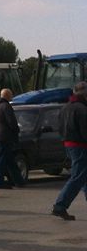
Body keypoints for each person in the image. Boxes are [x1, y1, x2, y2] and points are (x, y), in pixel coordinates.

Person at [51, 81, 87, 220]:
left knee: (83, 176)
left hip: (69, 144)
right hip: (81, 146)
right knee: (78, 177)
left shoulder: (66, 107)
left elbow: (60, 127)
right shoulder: (82, 109)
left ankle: (60, 206)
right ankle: (60, 205)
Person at [0, 88, 24, 189]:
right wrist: (16, 130)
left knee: (10, 161)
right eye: (11, 94)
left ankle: (18, 181)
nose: (12, 96)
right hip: (5, 137)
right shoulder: (6, 106)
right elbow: (12, 122)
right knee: (2, 160)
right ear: (7, 95)